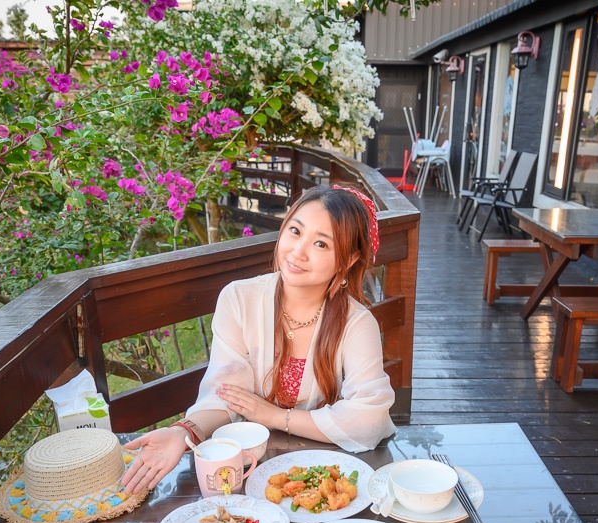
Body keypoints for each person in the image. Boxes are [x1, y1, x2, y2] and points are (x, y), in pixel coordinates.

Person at [121, 183, 396, 493]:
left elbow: (370, 418)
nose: (298, 251)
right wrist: (182, 432)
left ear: (347, 260)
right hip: (249, 469)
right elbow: (226, 391)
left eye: (321, 244)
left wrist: (276, 416)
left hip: (325, 472)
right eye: (295, 231)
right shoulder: (238, 299)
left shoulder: (356, 323)